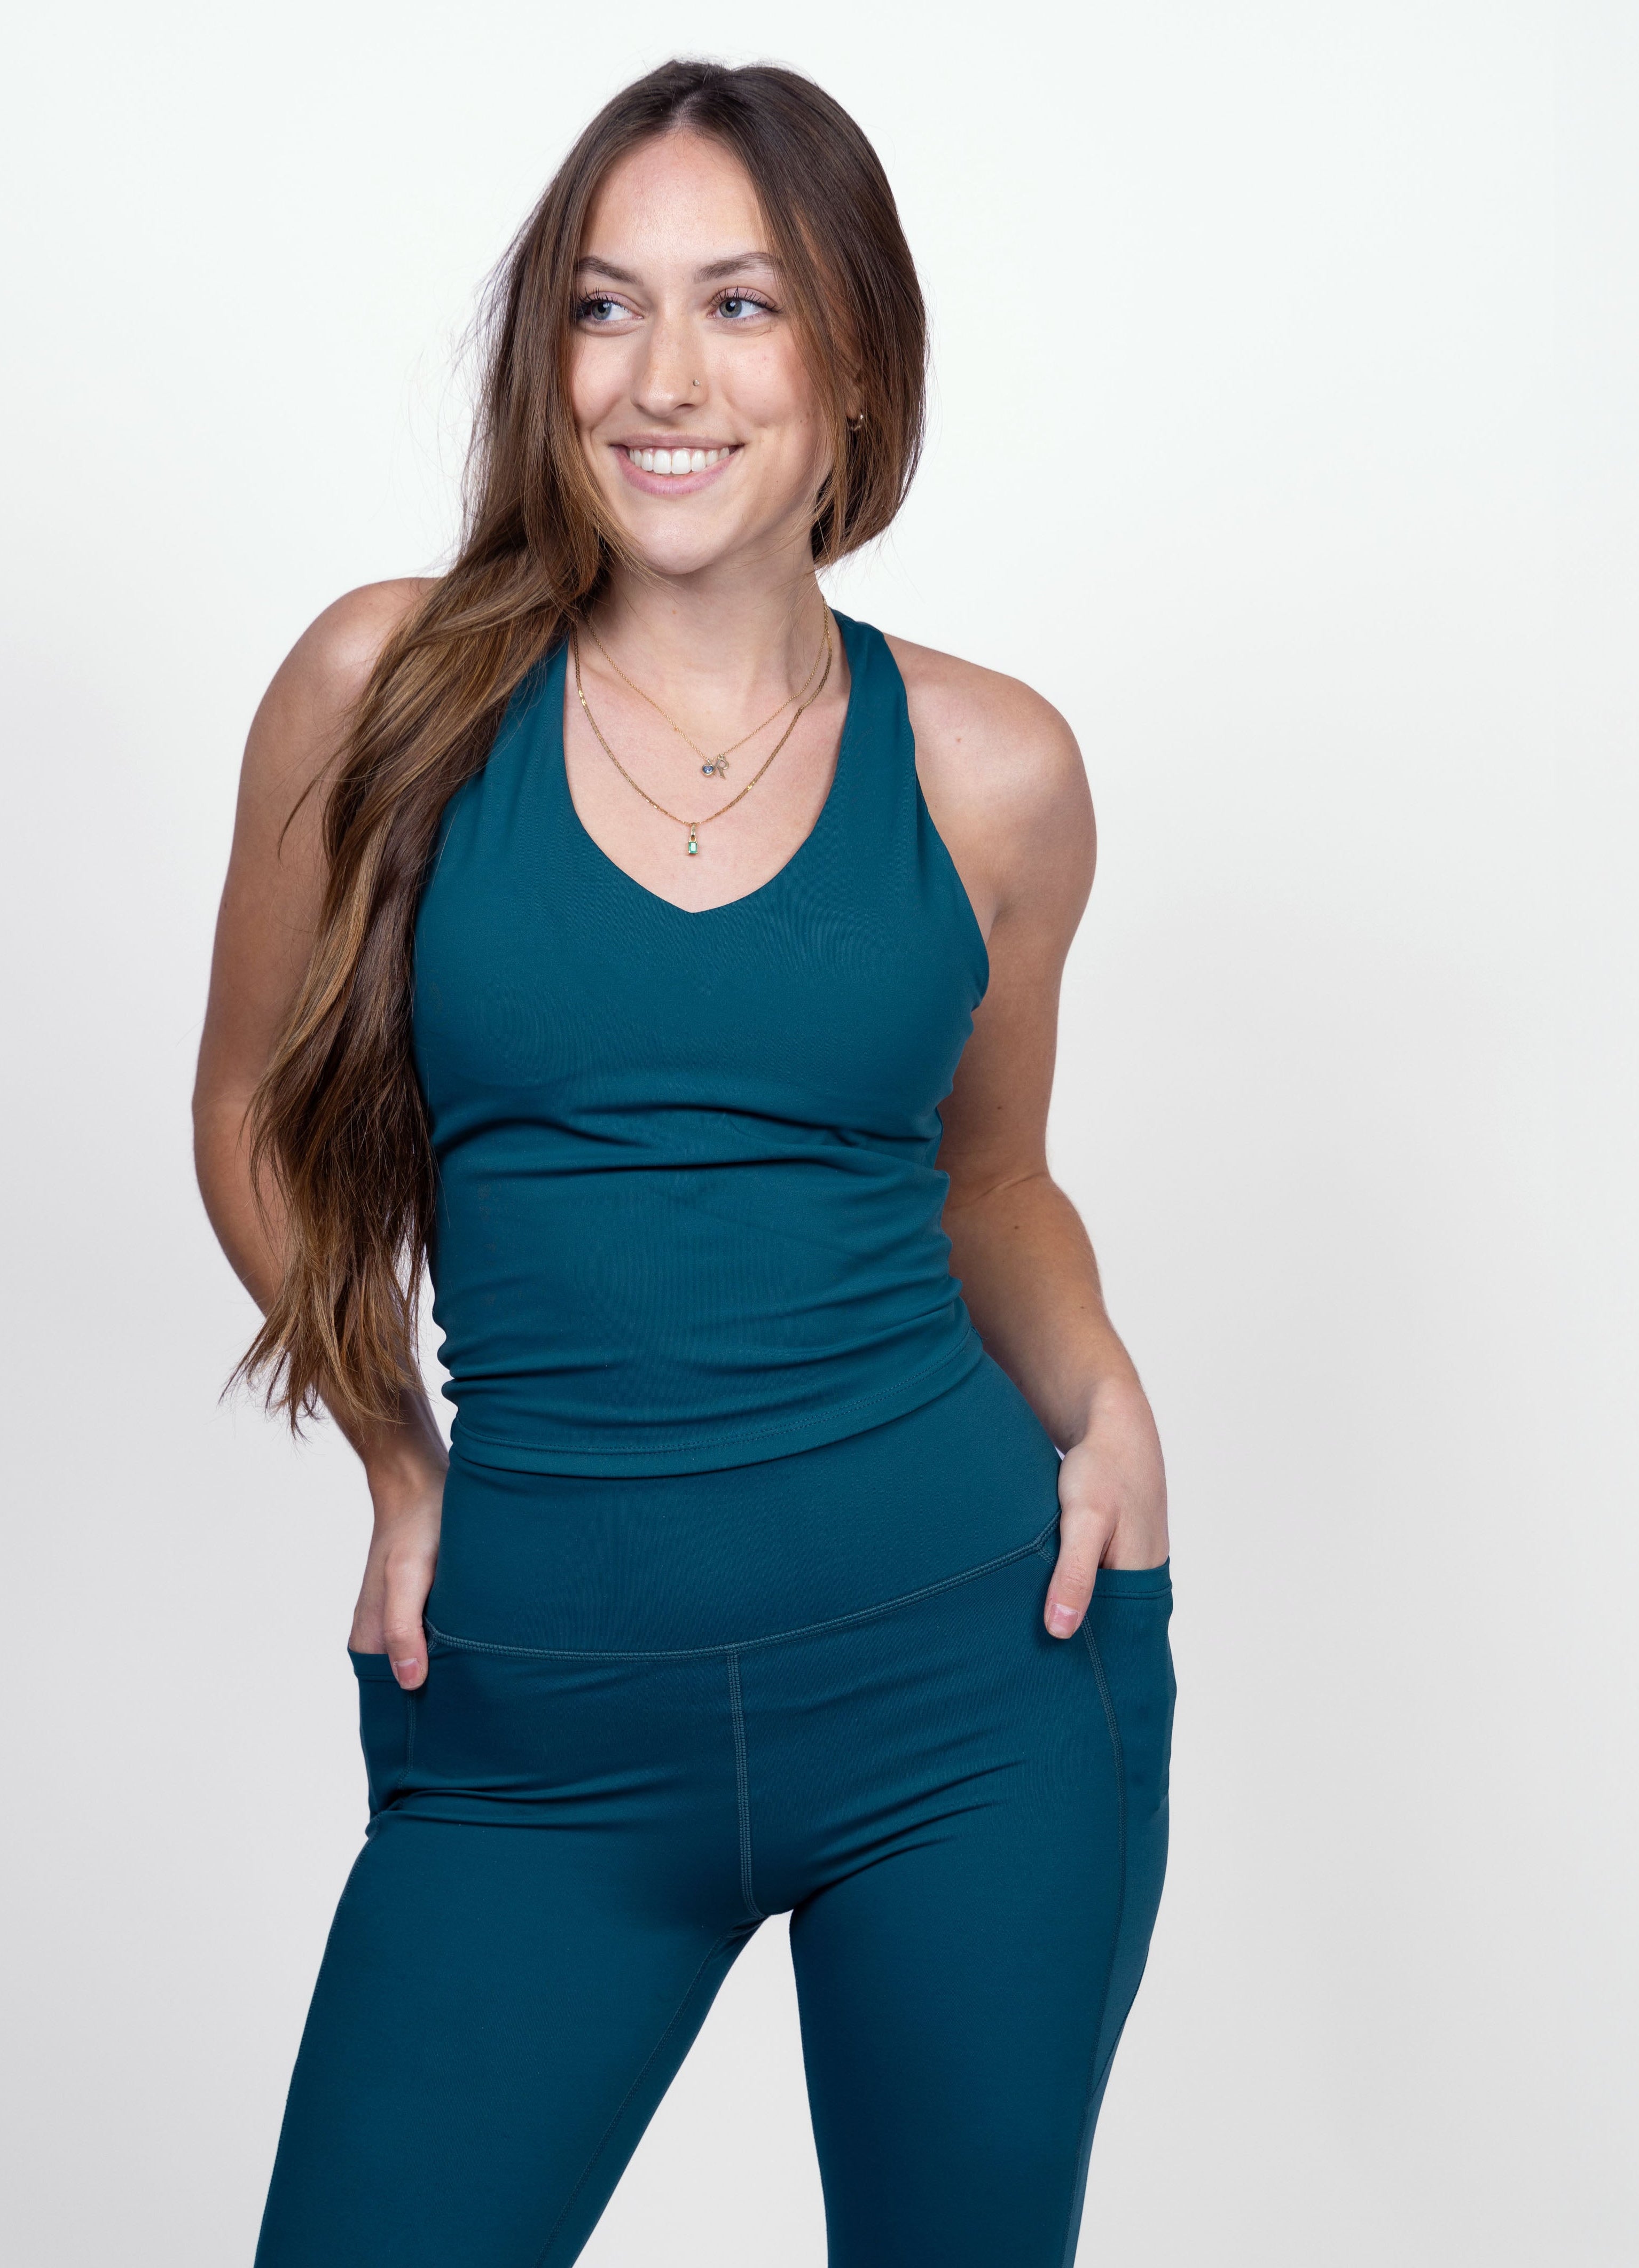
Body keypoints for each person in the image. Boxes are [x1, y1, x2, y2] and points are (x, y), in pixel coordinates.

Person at [193, 57, 1174, 2268]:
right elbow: (246, 1105)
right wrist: (397, 1451)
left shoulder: (993, 769)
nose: (662, 379)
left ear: (854, 360)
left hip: (972, 1691)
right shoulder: (385, 695)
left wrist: (1103, 1391)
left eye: (741, 305)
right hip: (534, 1720)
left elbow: (990, 1183)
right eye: (602, 306)